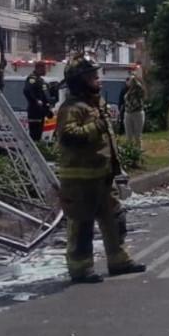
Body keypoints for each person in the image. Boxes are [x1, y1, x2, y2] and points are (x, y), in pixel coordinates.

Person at [56, 54, 146, 284]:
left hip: (103, 176)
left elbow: (108, 139)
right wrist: (97, 125)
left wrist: (116, 166)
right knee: (82, 225)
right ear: (79, 81)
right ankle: (80, 268)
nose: (98, 80)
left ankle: (119, 261)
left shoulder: (97, 104)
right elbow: (69, 136)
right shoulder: (71, 108)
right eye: (92, 77)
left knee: (115, 219)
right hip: (80, 180)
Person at [23, 62, 53, 142]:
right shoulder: (32, 79)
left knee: (39, 135)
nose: (45, 70)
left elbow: (44, 96)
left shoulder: (41, 80)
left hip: (41, 112)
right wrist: (36, 101)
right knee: (35, 135)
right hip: (35, 112)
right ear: (38, 68)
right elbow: (27, 91)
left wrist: (47, 110)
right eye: (44, 68)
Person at [121, 65, 146, 144]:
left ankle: (138, 150)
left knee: (137, 136)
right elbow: (123, 100)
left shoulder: (138, 88)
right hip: (128, 113)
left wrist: (138, 77)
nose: (129, 81)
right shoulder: (126, 91)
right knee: (128, 136)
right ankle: (130, 150)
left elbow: (143, 92)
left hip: (137, 113)